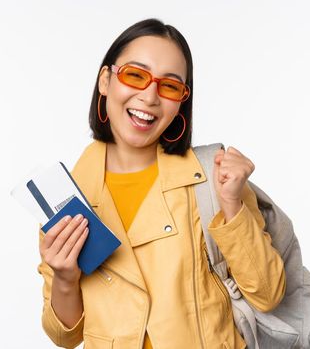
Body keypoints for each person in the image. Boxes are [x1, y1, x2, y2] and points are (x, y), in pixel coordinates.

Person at [37, 18, 286, 349]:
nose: (150, 96)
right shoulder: (69, 193)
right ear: (106, 80)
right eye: (135, 75)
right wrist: (66, 279)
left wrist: (232, 205)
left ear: (181, 101)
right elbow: (64, 336)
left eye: (169, 86)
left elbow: (267, 295)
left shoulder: (212, 178)